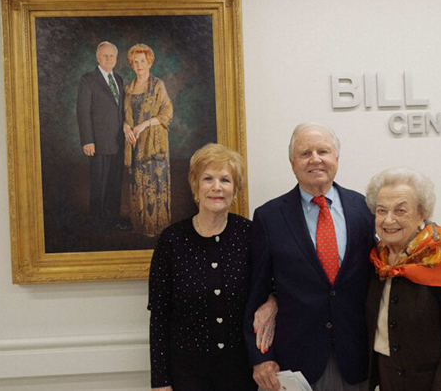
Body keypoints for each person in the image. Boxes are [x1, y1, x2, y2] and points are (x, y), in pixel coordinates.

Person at [244, 123, 376, 391]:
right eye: (305, 153)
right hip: (295, 361)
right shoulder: (269, 217)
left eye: (323, 151)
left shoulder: (366, 209)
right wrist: (260, 359)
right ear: (292, 163)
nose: (315, 159)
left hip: (357, 358)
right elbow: (255, 292)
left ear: (336, 158)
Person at [148, 143, 255, 391]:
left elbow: (268, 293)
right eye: (208, 178)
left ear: (235, 189)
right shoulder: (171, 240)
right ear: (196, 186)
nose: (216, 187)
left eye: (225, 180)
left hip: (241, 374)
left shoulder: (250, 235)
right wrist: (160, 381)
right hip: (186, 375)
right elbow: (159, 316)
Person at [364, 167, 441, 391]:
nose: (389, 220)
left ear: (421, 214)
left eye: (400, 210)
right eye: (381, 210)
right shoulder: (377, 259)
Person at [123, 43, 173, 237]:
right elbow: (125, 116)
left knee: (154, 180)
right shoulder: (128, 87)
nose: (139, 65)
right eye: (135, 62)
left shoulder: (157, 84)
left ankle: (155, 226)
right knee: (138, 180)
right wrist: (126, 127)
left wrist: (144, 125)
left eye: (142, 61)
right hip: (135, 143)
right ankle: (140, 224)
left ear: (149, 62)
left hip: (154, 143)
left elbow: (167, 111)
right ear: (131, 64)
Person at [76, 41, 127, 230]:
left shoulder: (119, 80)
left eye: (111, 56)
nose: (108, 59)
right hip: (97, 142)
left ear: (116, 58)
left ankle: (113, 219)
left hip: (117, 142)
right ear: (98, 57)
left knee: (115, 183)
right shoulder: (88, 79)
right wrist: (87, 140)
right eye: (104, 55)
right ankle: (98, 222)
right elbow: (83, 112)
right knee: (99, 183)